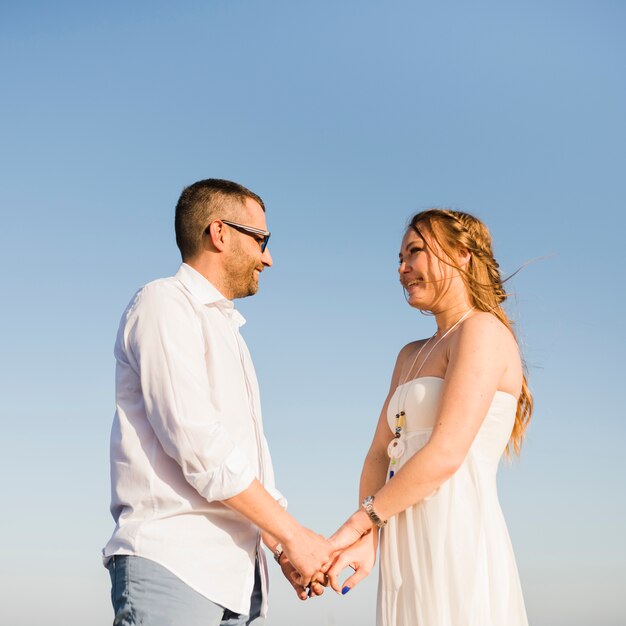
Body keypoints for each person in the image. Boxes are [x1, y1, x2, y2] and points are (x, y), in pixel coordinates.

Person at [102, 178, 332, 626]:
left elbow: (245, 460)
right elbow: (196, 443)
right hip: (174, 568)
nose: (269, 257)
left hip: (238, 584)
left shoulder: (229, 332)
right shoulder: (164, 304)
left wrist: (282, 546)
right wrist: (293, 535)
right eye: (262, 239)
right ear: (220, 232)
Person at [327, 209, 532, 626]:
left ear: (462, 254)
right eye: (399, 258)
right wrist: (369, 540)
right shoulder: (409, 353)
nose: (402, 268)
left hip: (456, 531)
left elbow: (446, 453)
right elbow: (377, 455)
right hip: (402, 532)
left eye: (415, 252)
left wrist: (361, 521)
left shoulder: (483, 331)